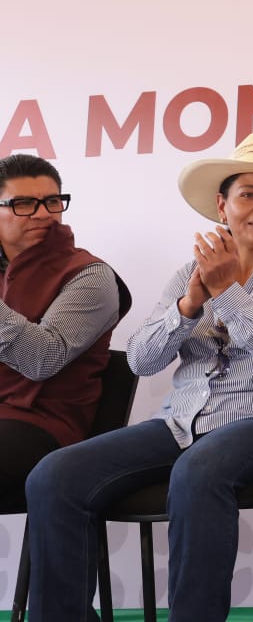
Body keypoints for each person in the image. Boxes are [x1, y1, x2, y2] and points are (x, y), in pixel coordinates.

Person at [25, 133, 253, 622]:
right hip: (182, 423)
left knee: (199, 470)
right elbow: (140, 360)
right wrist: (189, 304)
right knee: (54, 475)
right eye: (248, 194)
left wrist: (228, 292)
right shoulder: (188, 272)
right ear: (222, 205)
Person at [0, 154, 131, 495]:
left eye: (52, 202)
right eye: (24, 204)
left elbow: (42, 359)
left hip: (44, 428)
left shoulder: (89, 275)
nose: (43, 213)